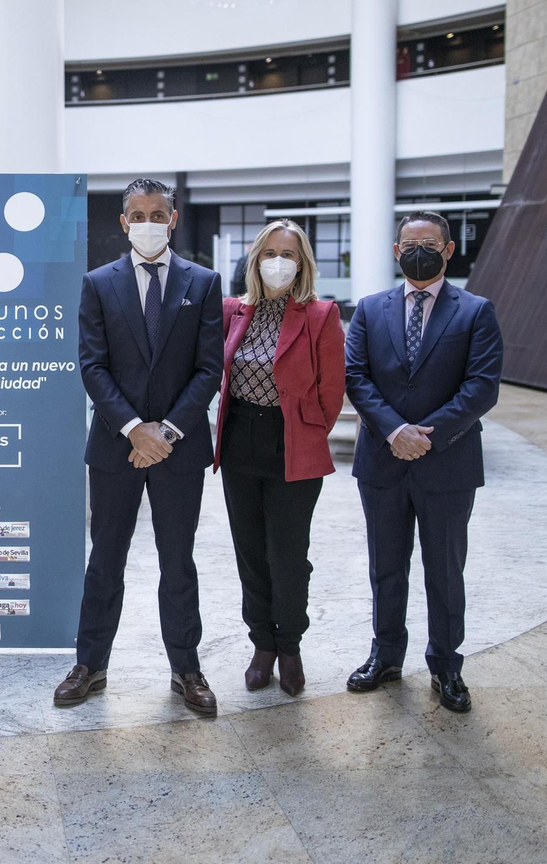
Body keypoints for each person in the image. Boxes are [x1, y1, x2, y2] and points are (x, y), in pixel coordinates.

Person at [54, 178, 224, 716]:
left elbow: (209, 368)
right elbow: (93, 366)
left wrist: (167, 431)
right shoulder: (98, 284)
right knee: (106, 559)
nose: (148, 222)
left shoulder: (204, 281)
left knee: (178, 561)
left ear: (172, 220)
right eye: (137, 214)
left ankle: (186, 668)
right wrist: (134, 429)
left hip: (179, 448)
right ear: (123, 221)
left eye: (158, 213)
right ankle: (90, 664)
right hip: (116, 447)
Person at [344, 211, 503, 713]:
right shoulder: (369, 310)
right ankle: (385, 655)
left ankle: (446, 665)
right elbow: (356, 377)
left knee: (445, 569)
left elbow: (481, 387)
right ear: (396, 252)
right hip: (383, 461)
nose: (419, 251)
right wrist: (394, 430)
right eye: (410, 244)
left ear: (448, 250)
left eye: (429, 244)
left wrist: (426, 436)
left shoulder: (476, 311)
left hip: (448, 464)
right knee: (385, 567)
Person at [213, 220, 344, 697]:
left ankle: (289, 646)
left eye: (288, 253)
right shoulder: (232, 310)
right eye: (269, 252)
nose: (278, 261)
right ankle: (261, 645)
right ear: (255, 260)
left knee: (287, 556)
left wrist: (306, 434)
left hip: (293, 445)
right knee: (250, 553)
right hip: (239, 442)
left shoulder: (320, 314)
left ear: (302, 262)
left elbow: (332, 394)